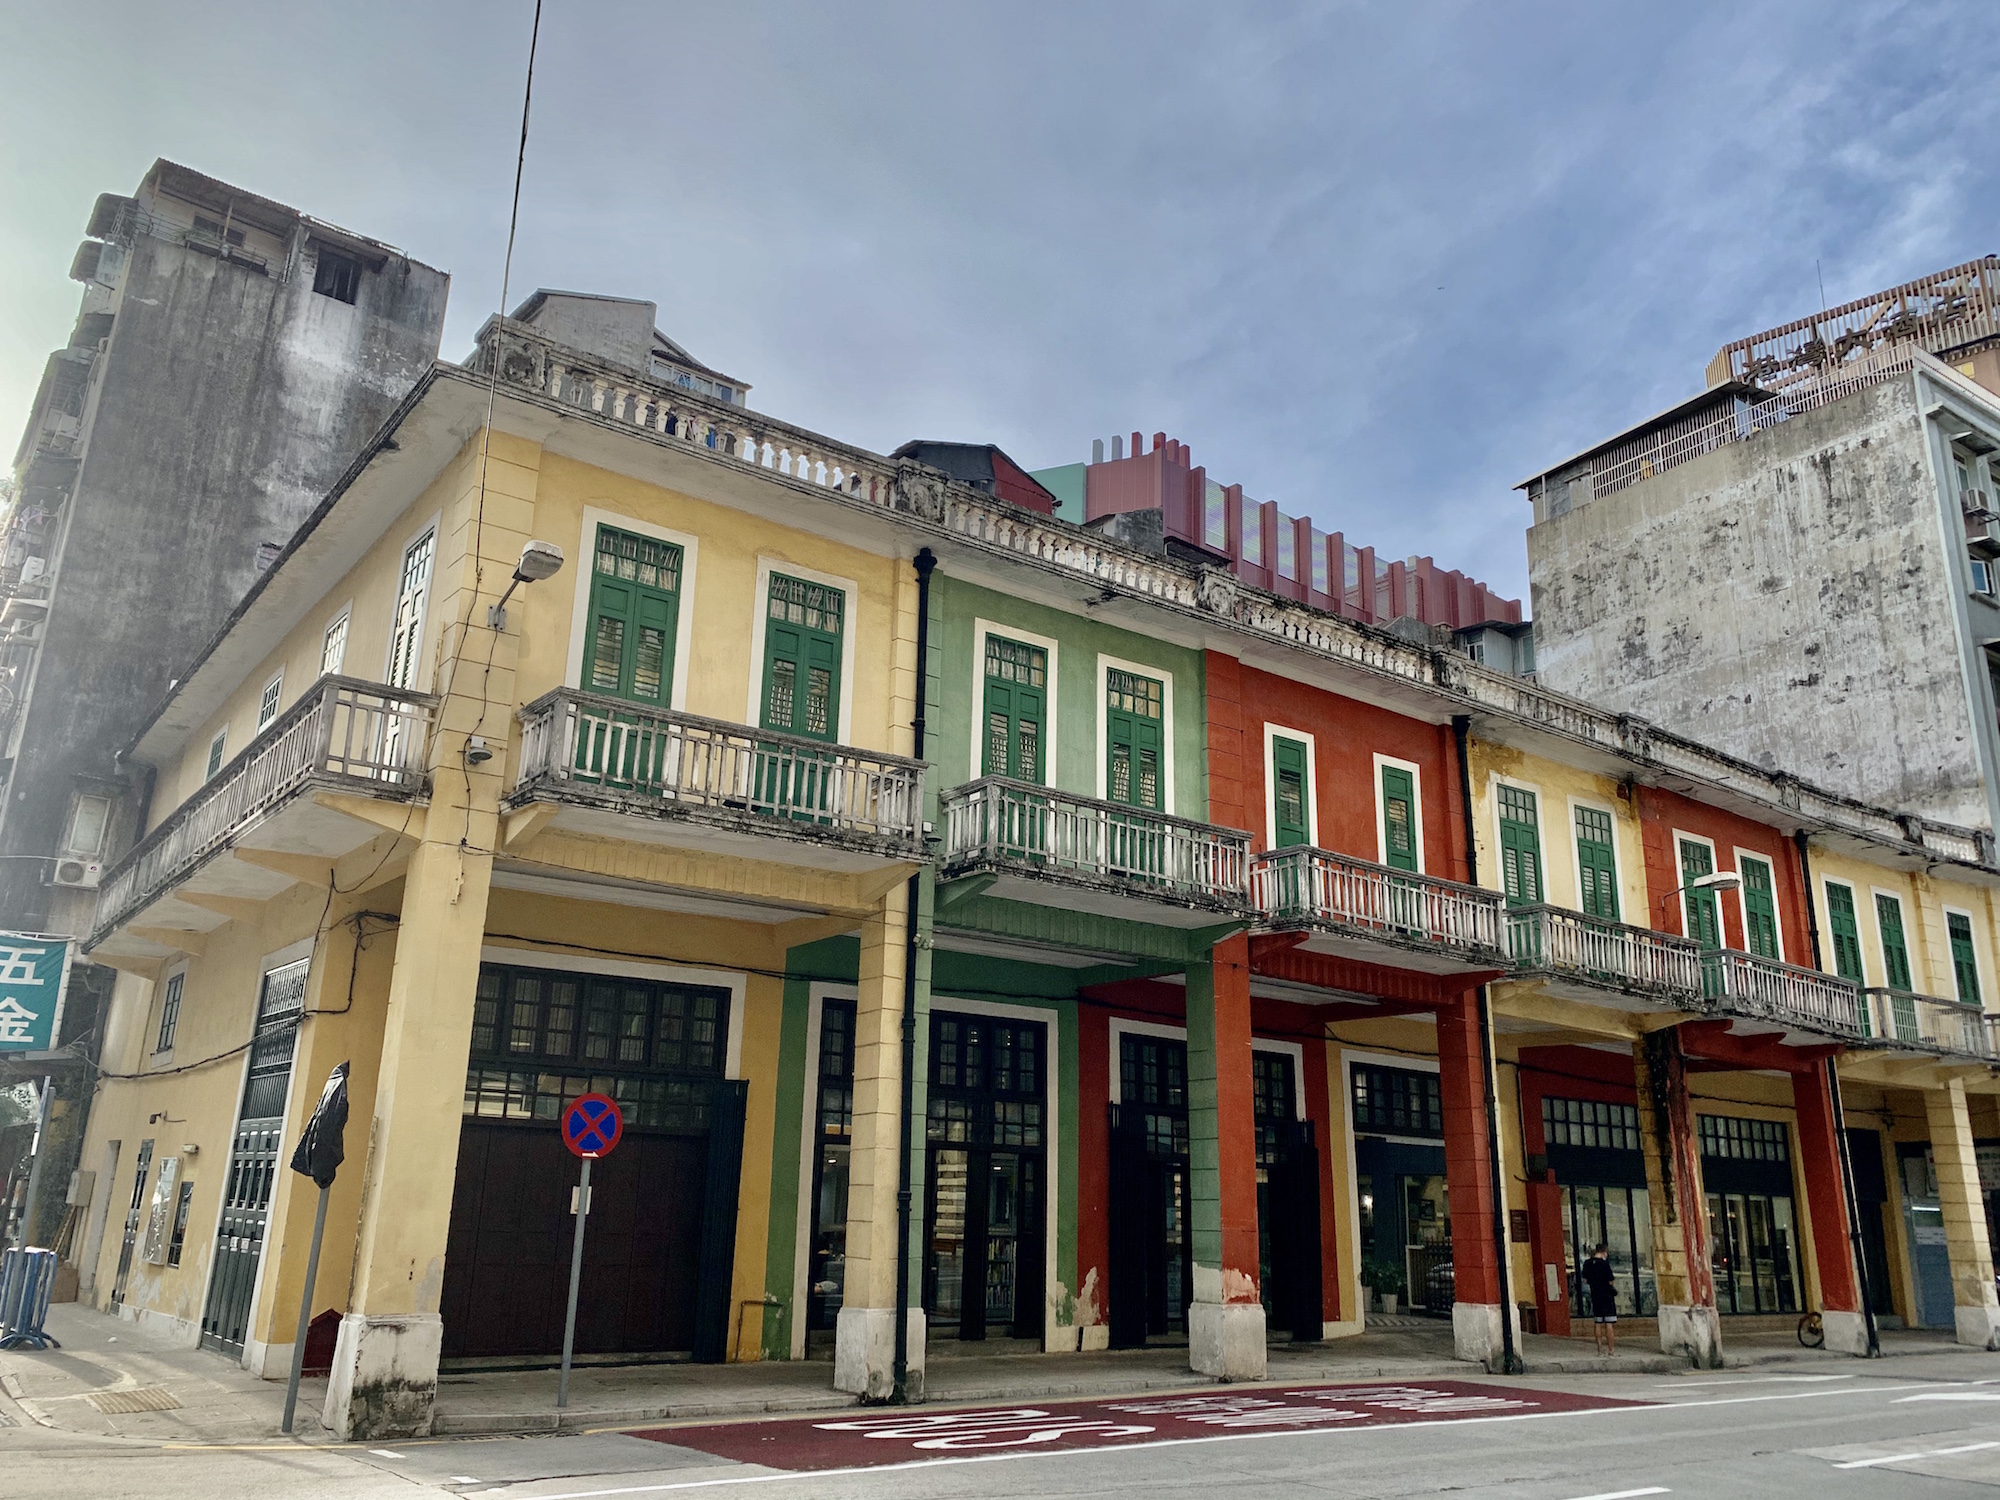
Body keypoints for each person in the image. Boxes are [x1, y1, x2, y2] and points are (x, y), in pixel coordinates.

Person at [1581, 1244, 1619, 1354]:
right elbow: (1610, 1280)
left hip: (1595, 1295)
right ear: (1603, 1252)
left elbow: (1585, 1279)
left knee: (1598, 1323)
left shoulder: (1588, 1264)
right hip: (1606, 1296)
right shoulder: (1604, 1264)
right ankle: (1611, 1350)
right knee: (1609, 1323)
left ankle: (1599, 1350)